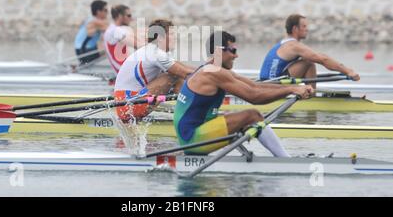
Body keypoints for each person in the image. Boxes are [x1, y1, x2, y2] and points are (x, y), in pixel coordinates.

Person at [173, 31, 314, 156]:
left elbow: (255, 86)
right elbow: (254, 96)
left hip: (196, 132)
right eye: (233, 50)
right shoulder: (213, 73)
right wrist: (291, 90)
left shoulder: (215, 70)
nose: (237, 55)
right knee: (252, 116)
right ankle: (285, 160)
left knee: (238, 118)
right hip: (192, 138)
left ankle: (273, 158)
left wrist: (295, 87)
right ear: (218, 51)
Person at [114, 19, 195, 121]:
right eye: (172, 34)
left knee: (175, 74)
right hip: (129, 107)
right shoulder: (156, 54)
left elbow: (185, 67)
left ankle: (183, 108)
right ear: (160, 38)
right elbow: (186, 73)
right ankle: (187, 113)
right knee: (173, 75)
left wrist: (208, 70)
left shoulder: (153, 50)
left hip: (126, 102)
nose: (175, 37)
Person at [259, 14, 360, 87]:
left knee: (308, 61)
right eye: (304, 26)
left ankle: (310, 93)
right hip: (271, 86)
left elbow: (320, 57)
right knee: (309, 62)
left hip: (268, 82)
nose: (307, 29)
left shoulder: (285, 43)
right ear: (295, 29)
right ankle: (311, 97)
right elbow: (323, 59)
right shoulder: (293, 46)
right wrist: (348, 71)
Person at [104, 5, 137, 74]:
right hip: (124, 70)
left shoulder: (113, 29)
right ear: (120, 16)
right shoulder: (115, 30)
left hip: (125, 68)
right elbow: (137, 45)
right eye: (129, 15)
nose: (131, 18)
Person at [74, 0, 109, 65]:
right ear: (99, 11)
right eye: (105, 10)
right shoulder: (95, 22)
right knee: (112, 50)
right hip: (84, 50)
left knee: (108, 49)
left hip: (81, 49)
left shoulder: (89, 19)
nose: (107, 12)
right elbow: (112, 30)